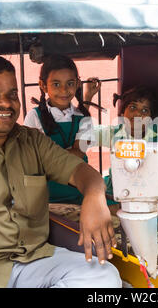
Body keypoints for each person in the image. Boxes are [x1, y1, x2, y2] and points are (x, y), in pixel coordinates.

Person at [0, 54, 121, 288]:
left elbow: (82, 167)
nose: (5, 103)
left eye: (12, 95)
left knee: (104, 275)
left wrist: (95, 196)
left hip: (33, 259)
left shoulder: (32, 141)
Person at [23, 54, 102, 204]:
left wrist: (48, 161)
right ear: (43, 85)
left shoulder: (83, 117)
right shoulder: (34, 117)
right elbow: (33, 160)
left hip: (78, 192)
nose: (64, 90)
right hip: (45, 196)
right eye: (56, 84)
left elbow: (79, 152)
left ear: (78, 83)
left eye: (70, 83)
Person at [93, 86, 158, 214]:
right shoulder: (113, 133)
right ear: (122, 113)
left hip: (147, 191)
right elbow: (84, 133)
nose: (138, 114)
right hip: (114, 191)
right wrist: (87, 98)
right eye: (132, 108)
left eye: (145, 110)